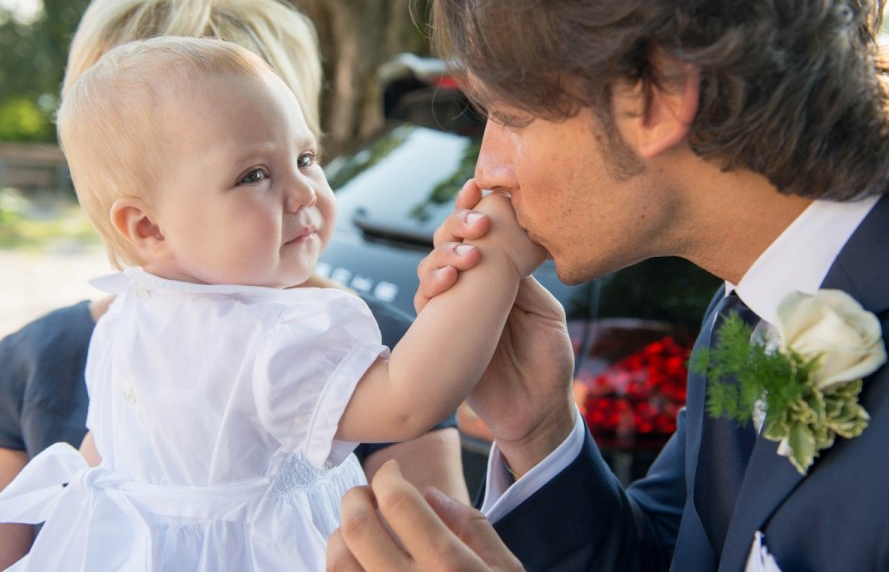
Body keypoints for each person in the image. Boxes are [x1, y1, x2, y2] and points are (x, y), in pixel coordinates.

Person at [327, 0, 889, 570]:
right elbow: (674, 555)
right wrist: (540, 430)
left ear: (658, 97)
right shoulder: (750, 296)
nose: (488, 170)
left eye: (511, 115)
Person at [0, 37, 543, 570]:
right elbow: (405, 401)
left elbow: (110, 458)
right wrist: (494, 265)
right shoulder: (272, 335)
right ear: (148, 227)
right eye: (254, 175)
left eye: (306, 158)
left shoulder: (127, 318)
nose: (305, 191)